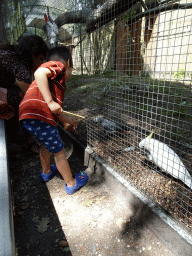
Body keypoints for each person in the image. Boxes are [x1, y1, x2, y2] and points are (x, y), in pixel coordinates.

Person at [19, 46, 88, 194]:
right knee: (59, 151)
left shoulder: (54, 85)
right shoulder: (59, 66)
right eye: (72, 71)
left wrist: (66, 121)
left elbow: (55, 112)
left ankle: (46, 172)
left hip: (28, 116)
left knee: (46, 144)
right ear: (68, 63)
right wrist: (50, 102)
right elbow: (39, 72)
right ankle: (71, 183)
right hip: (38, 115)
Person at [0, 35, 49, 151]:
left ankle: (21, 138)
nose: (41, 64)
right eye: (41, 59)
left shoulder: (12, 56)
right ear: (33, 55)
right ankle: (22, 140)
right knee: (22, 99)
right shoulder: (19, 66)